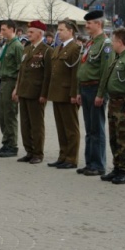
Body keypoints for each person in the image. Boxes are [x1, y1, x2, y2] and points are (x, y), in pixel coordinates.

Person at [97, 28, 125, 184]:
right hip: (114, 102)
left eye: (113, 40)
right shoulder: (119, 58)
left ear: (120, 42)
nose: (112, 43)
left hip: (124, 104)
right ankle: (117, 167)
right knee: (114, 138)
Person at [77, 10, 112, 176]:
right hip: (85, 88)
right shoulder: (90, 43)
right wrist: (78, 91)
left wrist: (101, 93)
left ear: (98, 24)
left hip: (95, 88)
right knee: (90, 128)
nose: (86, 26)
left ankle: (98, 164)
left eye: (89, 23)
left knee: (97, 128)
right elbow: (83, 67)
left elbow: (106, 71)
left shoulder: (106, 44)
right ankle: (90, 162)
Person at [13, 20, 52, 164]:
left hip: (36, 93)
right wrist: (17, 89)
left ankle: (38, 153)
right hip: (24, 91)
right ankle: (29, 151)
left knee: (36, 124)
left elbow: (48, 75)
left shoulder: (47, 50)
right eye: (27, 32)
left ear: (40, 33)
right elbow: (22, 71)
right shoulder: (27, 49)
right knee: (25, 124)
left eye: (31, 32)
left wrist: (44, 94)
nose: (28, 34)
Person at [47, 19, 81, 169]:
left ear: (70, 31)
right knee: (61, 127)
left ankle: (71, 158)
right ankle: (63, 155)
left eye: (61, 30)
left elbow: (76, 73)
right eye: (58, 30)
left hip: (68, 93)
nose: (58, 33)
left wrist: (74, 94)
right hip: (57, 93)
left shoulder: (75, 48)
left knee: (71, 128)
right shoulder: (58, 47)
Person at [0, 20, 23, 157]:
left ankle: (12, 146)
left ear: (12, 29)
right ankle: (6, 143)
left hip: (12, 82)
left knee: (10, 115)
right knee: (3, 116)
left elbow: (21, 69)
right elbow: (2, 60)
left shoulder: (17, 46)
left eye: (3, 30)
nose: (1, 32)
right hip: (4, 82)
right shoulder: (8, 44)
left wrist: (17, 89)